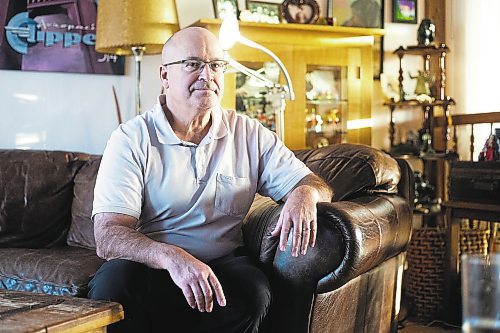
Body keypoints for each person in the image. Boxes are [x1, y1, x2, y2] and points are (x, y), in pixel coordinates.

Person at [87, 26, 332, 333]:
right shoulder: (131, 138)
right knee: (114, 285)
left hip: (223, 260)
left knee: (253, 293)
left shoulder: (249, 133)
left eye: (216, 65)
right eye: (193, 64)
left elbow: (316, 184)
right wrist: (172, 257)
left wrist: (304, 194)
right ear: (164, 76)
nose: (208, 75)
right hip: (155, 260)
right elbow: (108, 236)